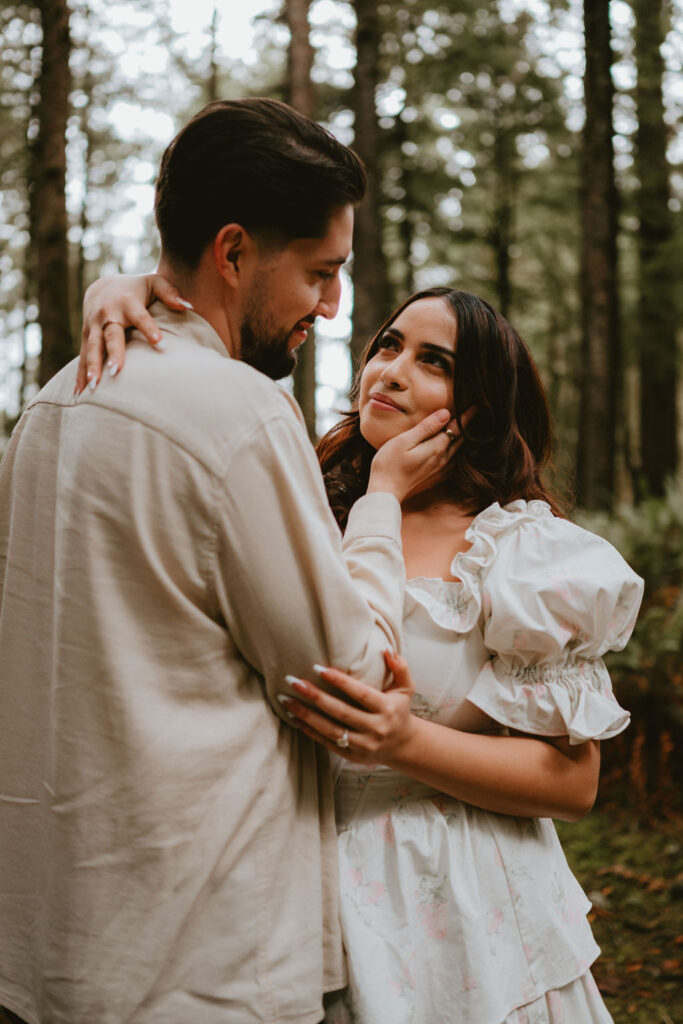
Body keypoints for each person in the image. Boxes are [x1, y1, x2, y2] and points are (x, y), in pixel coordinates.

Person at [0, 99, 463, 1024]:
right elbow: (350, 680)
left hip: (46, 955)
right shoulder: (240, 414)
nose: (332, 307)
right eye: (321, 273)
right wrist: (376, 506)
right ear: (234, 252)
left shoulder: (52, 404)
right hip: (200, 965)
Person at [80, 280, 643, 1024]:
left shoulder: (518, 551)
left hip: (460, 906)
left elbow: (571, 783)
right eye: (388, 345)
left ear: (473, 403)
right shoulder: (300, 504)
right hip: (281, 887)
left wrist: (405, 741)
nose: (392, 371)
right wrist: (120, 288)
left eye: (433, 360)